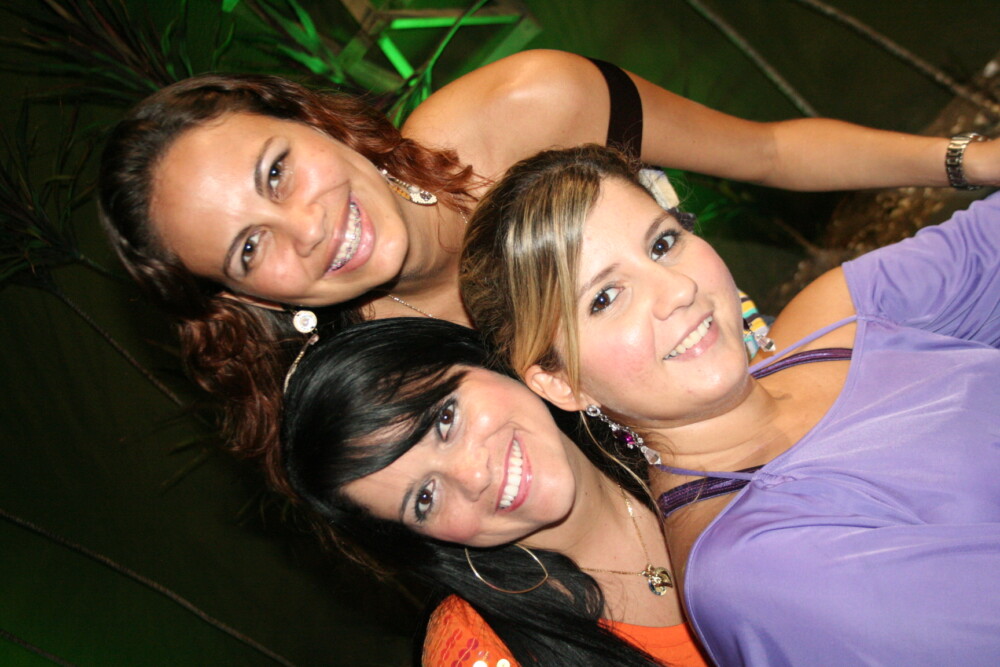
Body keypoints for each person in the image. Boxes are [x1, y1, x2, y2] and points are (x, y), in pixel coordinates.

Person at [98, 48, 1000, 488]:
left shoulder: (530, 107)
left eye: (277, 171)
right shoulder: (385, 390)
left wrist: (975, 160)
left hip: (810, 380)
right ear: (242, 297)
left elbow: (769, 150)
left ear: (309, 118)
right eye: (249, 247)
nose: (308, 228)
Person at [460, 144, 1000, 665]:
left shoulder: (837, 317)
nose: (677, 290)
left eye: (662, 243)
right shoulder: (762, 565)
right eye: (605, 297)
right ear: (562, 384)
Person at [280, 317, 708, 666]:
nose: (472, 476)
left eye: (445, 419)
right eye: (425, 498)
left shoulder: (682, 414)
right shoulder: (477, 652)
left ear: (479, 359)